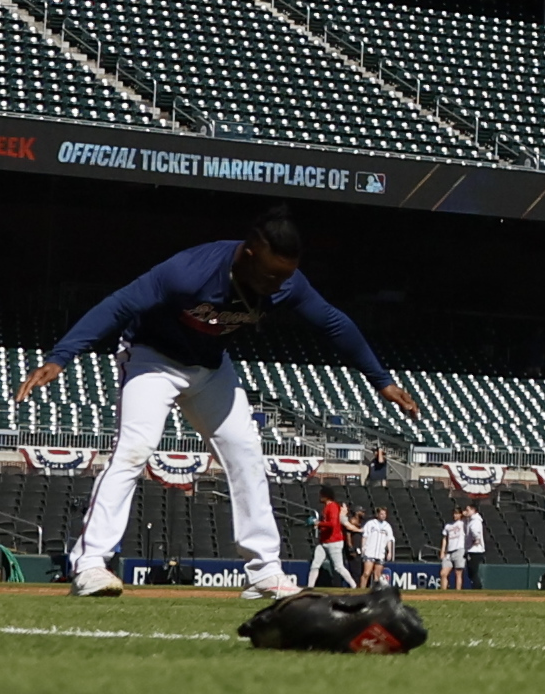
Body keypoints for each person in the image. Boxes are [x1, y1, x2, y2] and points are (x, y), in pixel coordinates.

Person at [22, 210, 416, 600]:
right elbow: (119, 304)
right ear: (247, 254)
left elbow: (333, 323)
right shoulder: (189, 271)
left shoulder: (285, 282)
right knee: (134, 449)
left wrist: (381, 380)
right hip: (151, 357)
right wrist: (61, 356)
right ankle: (90, 563)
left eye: (285, 275)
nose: (277, 285)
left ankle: (265, 571)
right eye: (270, 275)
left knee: (246, 453)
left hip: (211, 368)